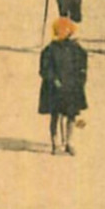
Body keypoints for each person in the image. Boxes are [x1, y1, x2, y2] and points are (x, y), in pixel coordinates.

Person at [39, 18, 87, 156]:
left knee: (71, 116)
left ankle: (68, 142)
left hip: (72, 88)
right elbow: (44, 69)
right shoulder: (50, 50)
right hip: (54, 89)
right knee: (56, 116)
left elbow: (82, 66)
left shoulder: (77, 49)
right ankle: (55, 143)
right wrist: (53, 79)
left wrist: (80, 81)